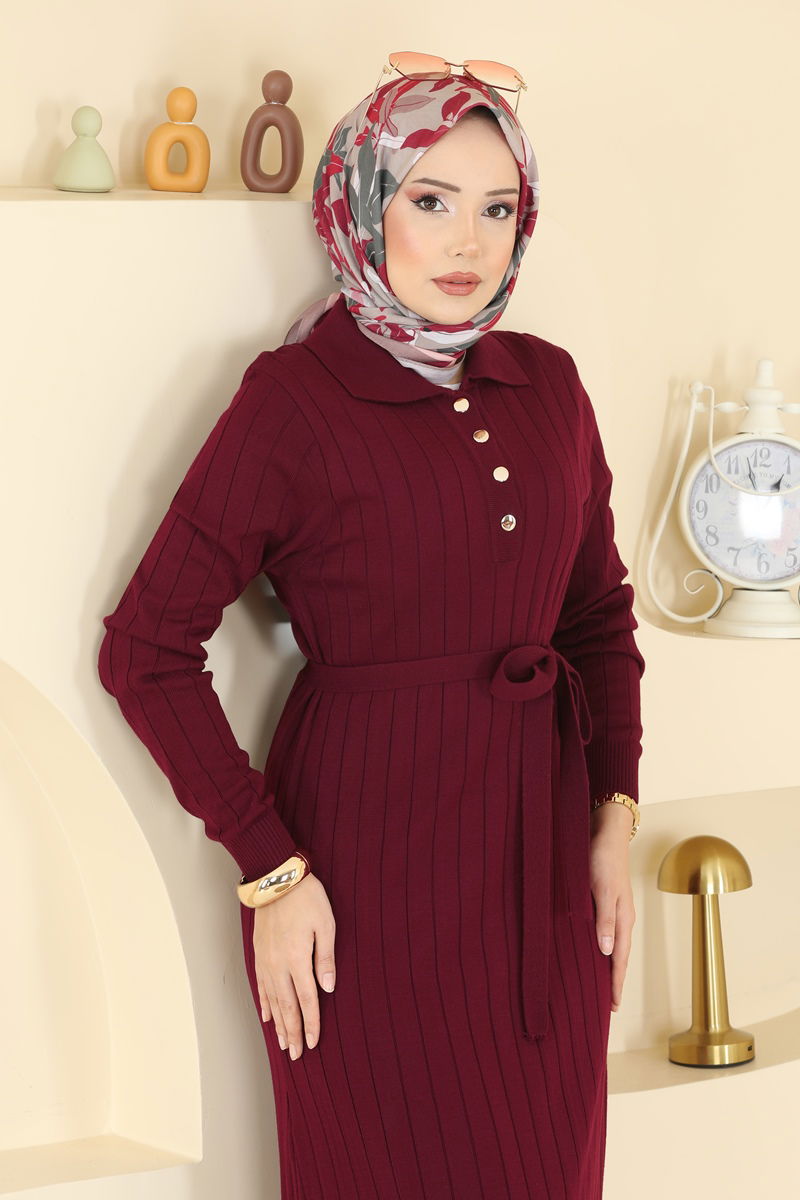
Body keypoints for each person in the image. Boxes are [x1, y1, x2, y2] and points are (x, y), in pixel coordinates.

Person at [97, 60, 646, 1200]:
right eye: (430, 200)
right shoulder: (292, 401)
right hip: (361, 892)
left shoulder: (549, 386)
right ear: (362, 201)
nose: (469, 242)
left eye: (498, 208)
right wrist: (269, 869)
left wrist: (613, 815)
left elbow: (596, 614)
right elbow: (144, 649)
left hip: (541, 876)